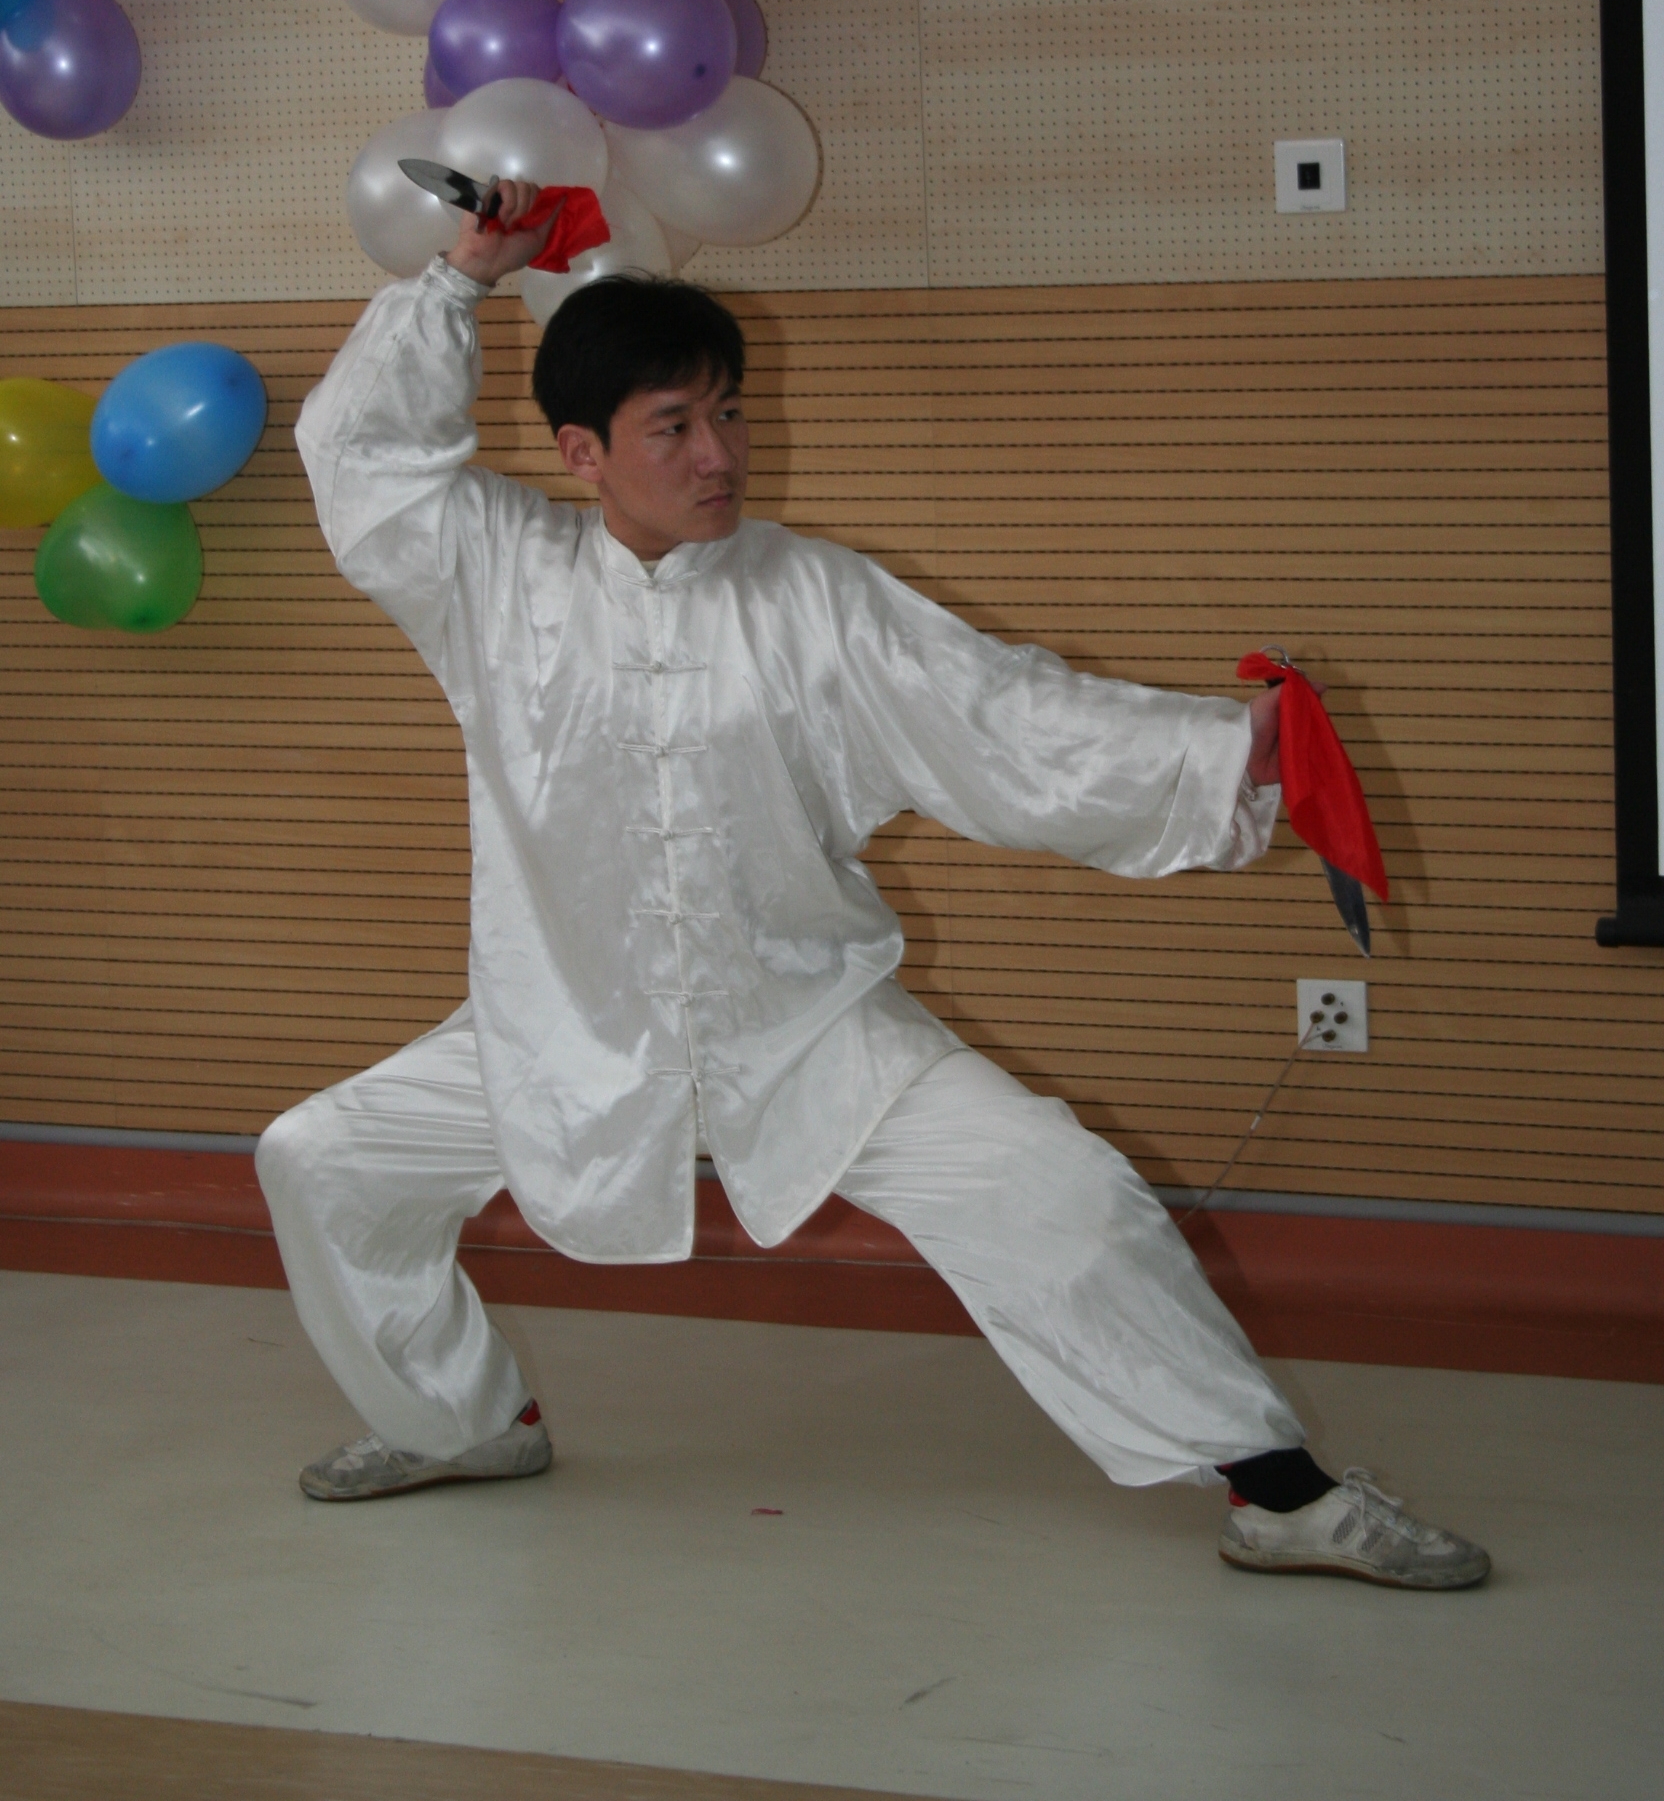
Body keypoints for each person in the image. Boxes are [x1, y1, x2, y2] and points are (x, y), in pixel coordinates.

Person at [258, 182, 1489, 1591]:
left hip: (805, 1023)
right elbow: (362, 457)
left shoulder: (814, 597)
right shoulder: (491, 572)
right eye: (676, 426)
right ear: (582, 454)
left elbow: (1004, 715)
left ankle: (1281, 1496)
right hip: (562, 1023)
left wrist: (1226, 750)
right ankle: (461, 1422)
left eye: (731, 414)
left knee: (1061, 1193)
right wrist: (455, 281)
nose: (721, 454)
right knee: (323, 1157)